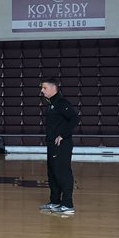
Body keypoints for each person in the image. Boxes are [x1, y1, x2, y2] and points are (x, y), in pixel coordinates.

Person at [40, 78, 80, 215]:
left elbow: (75, 119)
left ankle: (68, 204)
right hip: (52, 145)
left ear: (53, 88)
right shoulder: (52, 104)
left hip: (62, 145)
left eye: (44, 88)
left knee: (63, 173)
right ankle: (55, 202)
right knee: (52, 173)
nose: (42, 91)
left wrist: (62, 135)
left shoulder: (62, 103)